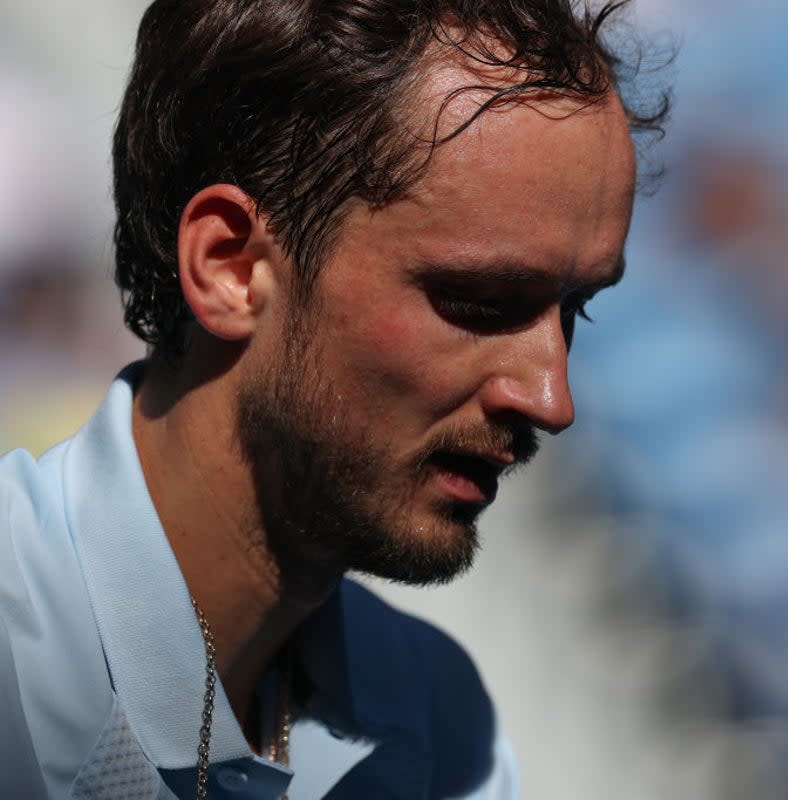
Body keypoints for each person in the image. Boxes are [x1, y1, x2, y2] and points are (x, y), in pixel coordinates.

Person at [0, 1, 665, 797]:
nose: (551, 399)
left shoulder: (441, 726)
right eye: (480, 301)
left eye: (574, 309)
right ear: (230, 267)